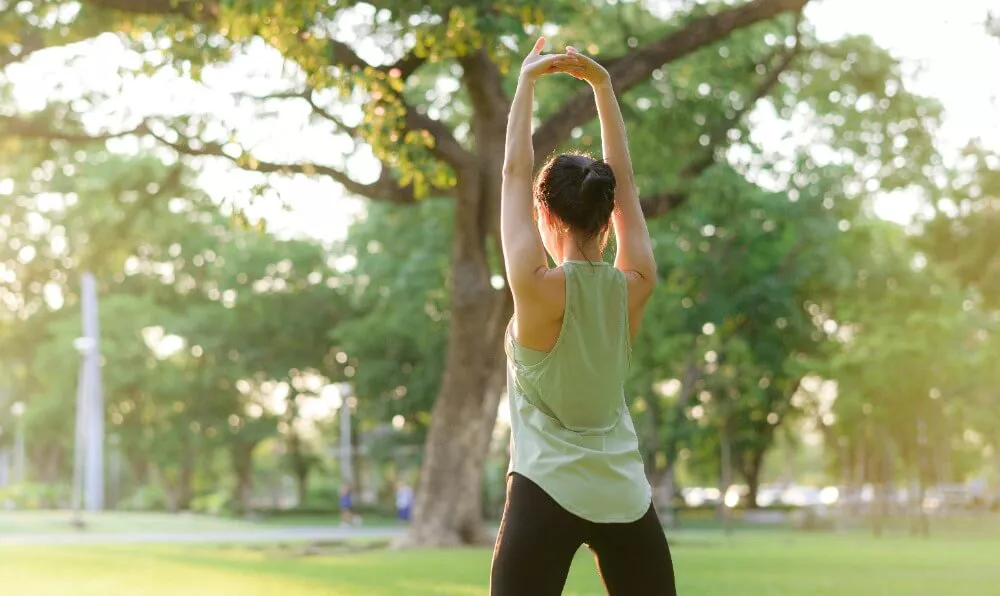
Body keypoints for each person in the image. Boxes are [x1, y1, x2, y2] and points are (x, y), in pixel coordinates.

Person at [490, 38, 677, 596]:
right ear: (607, 215)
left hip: (543, 490)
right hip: (623, 494)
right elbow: (630, 191)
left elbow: (512, 173)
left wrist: (525, 84)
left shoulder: (536, 287)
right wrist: (603, 86)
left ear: (545, 215)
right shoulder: (635, 286)